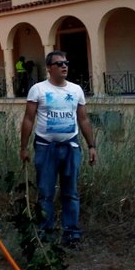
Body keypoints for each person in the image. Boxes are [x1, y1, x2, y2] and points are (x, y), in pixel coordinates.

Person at [19, 51, 97, 247]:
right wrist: (24, 147)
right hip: (46, 148)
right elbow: (29, 119)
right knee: (45, 192)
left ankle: (71, 233)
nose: (64, 66)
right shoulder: (38, 90)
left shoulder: (76, 90)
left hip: (71, 147)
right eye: (59, 63)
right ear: (49, 68)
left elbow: (83, 119)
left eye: (66, 62)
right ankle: (45, 233)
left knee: (70, 192)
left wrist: (91, 145)